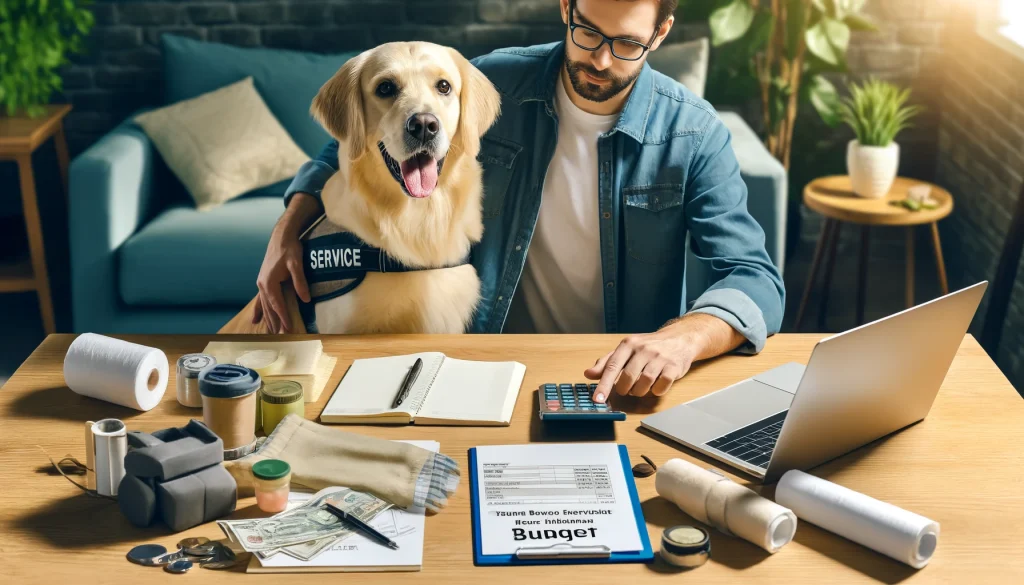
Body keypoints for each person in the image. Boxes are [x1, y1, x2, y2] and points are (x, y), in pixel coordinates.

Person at [254, 0, 785, 404]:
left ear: (660, 34)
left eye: (626, 44)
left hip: (616, 382)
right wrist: (289, 223)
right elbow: (358, 135)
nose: (600, 59)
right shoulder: (494, 81)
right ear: (565, 7)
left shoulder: (693, 133)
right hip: (485, 361)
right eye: (587, 31)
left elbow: (755, 278)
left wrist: (684, 340)